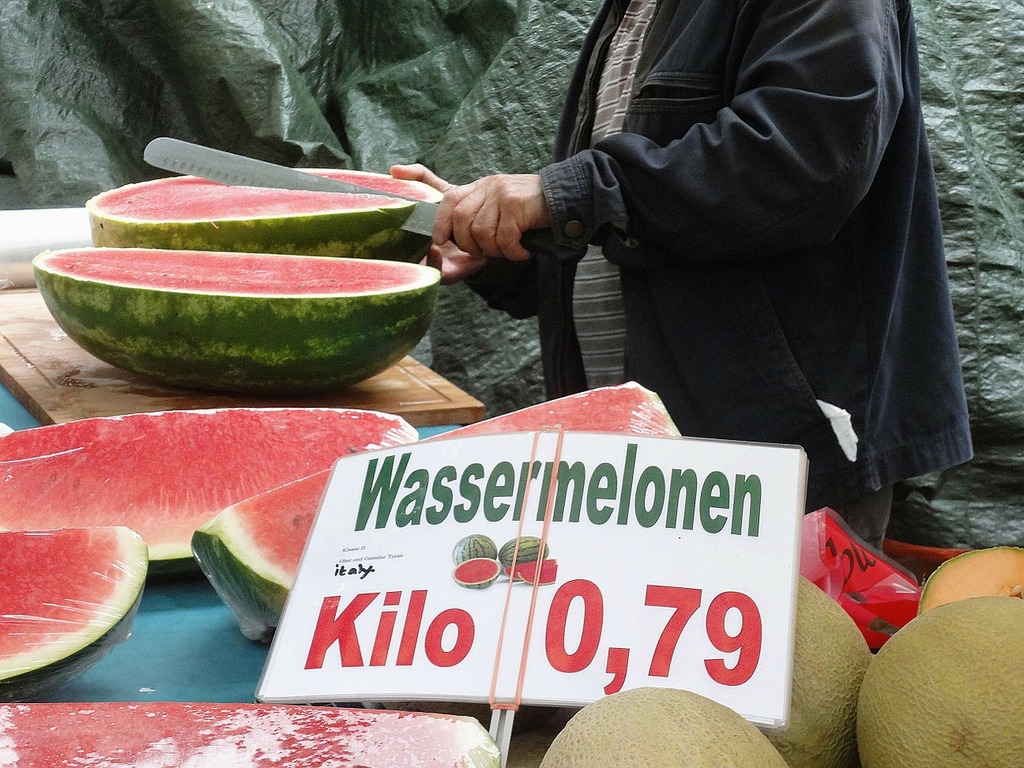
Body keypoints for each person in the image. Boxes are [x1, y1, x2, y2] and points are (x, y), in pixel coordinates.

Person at [393, 0, 973, 549]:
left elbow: (803, 161)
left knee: (800, 656)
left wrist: (566, 193)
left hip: (770, 456)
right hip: (632, 461)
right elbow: (635, 227)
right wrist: (504, 247)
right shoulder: (632, 10)